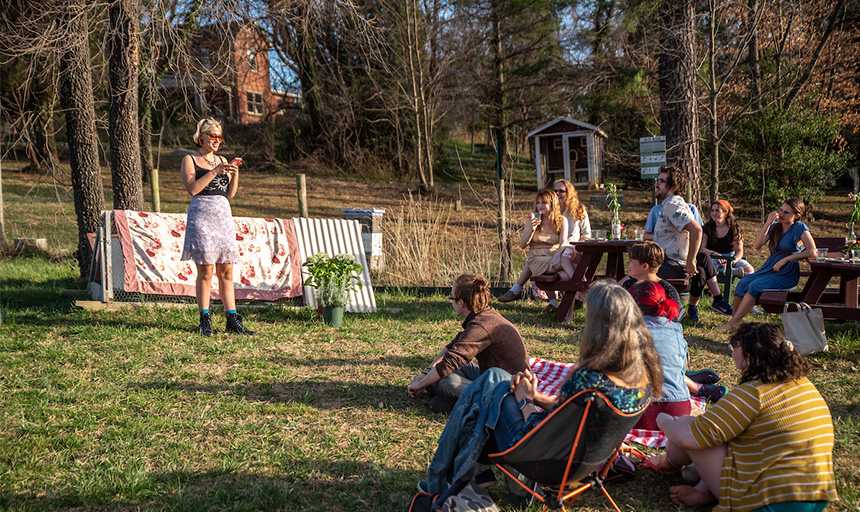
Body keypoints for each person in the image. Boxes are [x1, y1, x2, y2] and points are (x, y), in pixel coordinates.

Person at [420, 280, 662, 494]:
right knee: (490, 388)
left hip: (544, 461)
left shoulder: (588, 380)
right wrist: (535, 396)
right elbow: (565, 412)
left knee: (494, 382)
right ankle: (477, 473)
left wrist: (525, 401)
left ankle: (443, 479)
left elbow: (538, 428)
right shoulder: (642, 381)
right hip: (582, 464)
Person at [650, 322, 836, 511]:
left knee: (691, 428)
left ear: (748, 357)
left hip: (769, 504)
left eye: (734, 348)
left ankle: (668, 464)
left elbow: (689, 437)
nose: (732, 354)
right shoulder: (805, 386)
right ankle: (702, 490)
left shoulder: (753, 393)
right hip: (816, 498)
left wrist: (665, 421)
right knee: (720, 434)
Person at [408, 274, 529, 412]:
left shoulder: (481, 326)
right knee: (438, 377)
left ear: (461, 303)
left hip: (508, 389)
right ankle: (458, 400)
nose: (450, 301)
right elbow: (452, 349)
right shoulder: (484, 315)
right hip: (492, 376)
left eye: (451, 298)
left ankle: (476, 404)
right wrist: (425, 375)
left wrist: (421, 384)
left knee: (446, 383)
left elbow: (450, 362)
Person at [180, 118, 254, 336]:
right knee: (206, 271)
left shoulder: (221, 160)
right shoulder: (190, 160)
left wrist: (234, 173)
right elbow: (193, 189)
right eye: (212, 136)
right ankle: (205, 320)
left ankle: (232, 319)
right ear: (200, 137)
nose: (216, 140)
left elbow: (230, 193)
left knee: (227, 270)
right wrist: (214, 171)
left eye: (219, 137)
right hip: (202, 218)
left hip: (223, 217)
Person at [647, 165, 732, 322]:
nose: (656, 184)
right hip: (671, 261)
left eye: (661, 181)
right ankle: (716, 300)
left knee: (637, 274)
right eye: (657, 180)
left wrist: (691, 260)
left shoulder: (672, 205)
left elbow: (697, 230)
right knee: (703, 260)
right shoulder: (671, 204)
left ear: (673, 187)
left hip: (668, 264)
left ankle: (676, 307)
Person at [717, 198, 816, 331]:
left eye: (786, 212)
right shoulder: (775, 227)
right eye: (781, 210)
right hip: (769, 268)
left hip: (786, 272)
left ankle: (732, 323)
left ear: (797, 215)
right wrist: (768, 223)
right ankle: (733, 323)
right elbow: (757, 245)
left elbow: (812, 251)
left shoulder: (799, 227)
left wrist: (786, 259)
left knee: (754, 286)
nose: (781, 214)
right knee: (742, 283)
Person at [497, 189, 571, 314]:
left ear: (552, 204)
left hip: (553, 256)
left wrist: (557, 255)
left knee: (565, 276)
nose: (540, 206)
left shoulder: (562, 220)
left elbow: (563, 242)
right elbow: (522, 245)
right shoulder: (533, 219)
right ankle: (584, 288)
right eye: (538, 202)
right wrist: (532, 229)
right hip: (536, 258)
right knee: (566, 263)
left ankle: (560, 306)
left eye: (544, 203)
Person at [618, 241, 682, 317]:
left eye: (631, 261)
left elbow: (673, 319)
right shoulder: (628, 284)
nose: (627, 263)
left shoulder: (668, 291)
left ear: (644, 266)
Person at [702, 199, 755, 278]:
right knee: (712, 267)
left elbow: (739, 251)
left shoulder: (734, 229)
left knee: (749, 270)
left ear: (725, 212)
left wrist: (732, 262)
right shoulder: (707, 228)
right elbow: (701, 248)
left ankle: (731, 271)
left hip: (730, 258)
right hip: (712, 258)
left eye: (717, 211)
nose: (714, 213)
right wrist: (714, 254)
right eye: (712, 210)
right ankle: (730, 271)